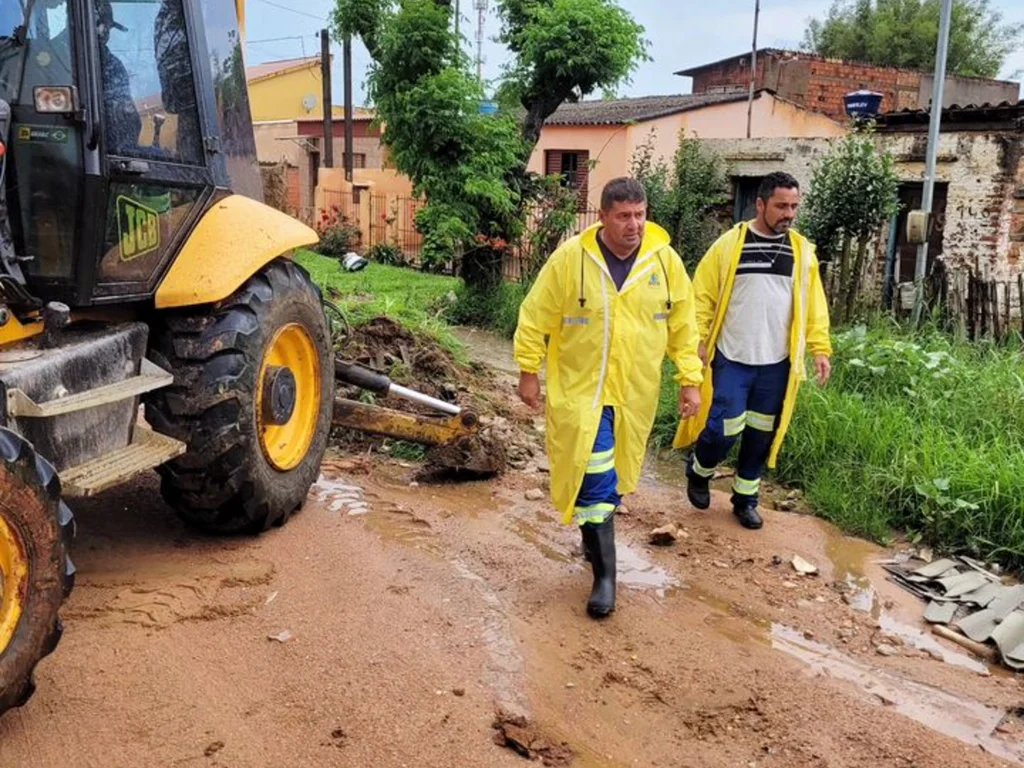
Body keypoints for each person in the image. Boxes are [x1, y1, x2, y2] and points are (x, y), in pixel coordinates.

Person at [514, 177, 703, 619]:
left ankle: (591, 534)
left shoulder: (665, 263)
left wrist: (689, 380)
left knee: (612, 477)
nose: (634, 224)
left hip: (636, 393)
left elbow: (683, 328)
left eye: (640, 214)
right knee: (595, 471)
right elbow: (535, 315)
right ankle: (605, 579)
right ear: (602, 217)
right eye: (623, 216)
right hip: (581, 391)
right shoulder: (570, 260)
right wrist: (528, 372)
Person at [674, 171, 832, 531]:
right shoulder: (730, 245)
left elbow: (814, 305)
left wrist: (820, 347)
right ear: (760, 204)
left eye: (793, 206)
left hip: (776, 364)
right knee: (721, 430)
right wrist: (697, 339)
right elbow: (702, 296)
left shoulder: (801, 252)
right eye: (780, 206)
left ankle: (745, 499)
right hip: (732, 357)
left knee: (761, 435)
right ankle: (700, 469)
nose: (788, 213)